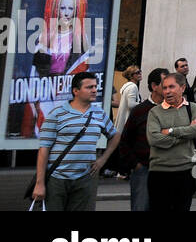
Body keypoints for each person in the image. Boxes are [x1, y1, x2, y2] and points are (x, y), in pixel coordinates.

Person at [33, 72, 122, 210]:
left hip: (85, 179)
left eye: (95, 86)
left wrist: (103, 160)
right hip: (57, 179)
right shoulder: (57, 114)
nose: (94, 90)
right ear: (75, 91)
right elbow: (44, 149)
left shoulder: (99, 114)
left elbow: (115, 136)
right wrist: (40, 184)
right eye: (89, 87)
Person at [146, 73, 196, 212]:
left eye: (171, 87)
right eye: (165, 88)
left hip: (185, 172)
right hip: (159, 172)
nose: (167, 91)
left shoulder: (193, 108)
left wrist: (171, 131)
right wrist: (186, 133)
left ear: (182, 87)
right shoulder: (154, 112)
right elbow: (154, 139)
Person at [118, 67, 167, 211]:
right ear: (154, 86)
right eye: (166, 84)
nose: (170, 89)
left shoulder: (175, 110)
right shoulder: (140, 111)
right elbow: (125, 141)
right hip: (144, 170)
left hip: (168, 170)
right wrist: (136, 164)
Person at [108, 65, 142, 178]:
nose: (140, 74)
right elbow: (131, 104)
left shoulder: (127, 87)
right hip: (128, 120)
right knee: (128, 147)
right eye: (137, 72)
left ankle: (121, 170)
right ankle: (122, 171)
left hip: (124, 120)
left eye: (140, 72)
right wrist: (143, 104)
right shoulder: (133, 87)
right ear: (132, 76)